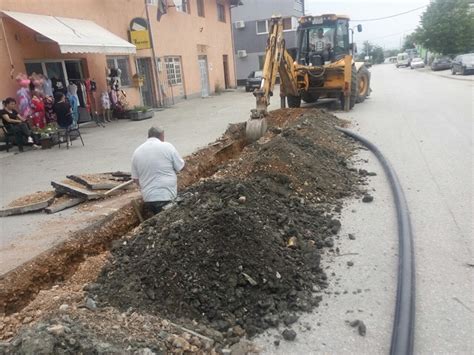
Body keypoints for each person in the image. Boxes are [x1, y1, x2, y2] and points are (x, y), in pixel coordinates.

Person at [131, 127, 185, 214]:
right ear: (161, 136)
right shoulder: (167, 146)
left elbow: (136, 180)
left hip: (148, 198)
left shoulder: (137, 152)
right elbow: (181, 167)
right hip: (167, 196)